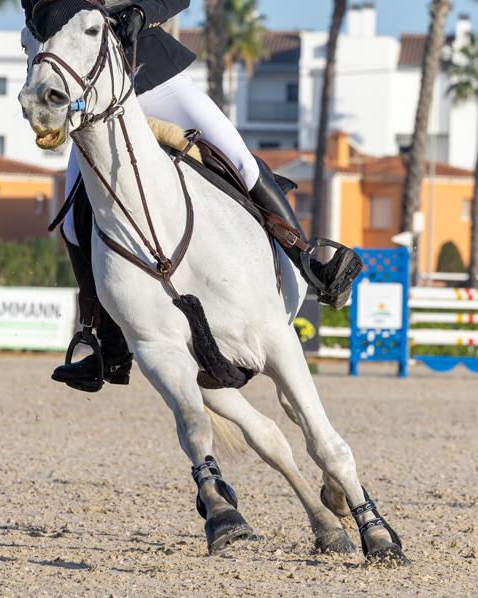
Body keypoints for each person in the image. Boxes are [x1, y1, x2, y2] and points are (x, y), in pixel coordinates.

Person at [23, 0, 359, 392]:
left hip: (156, 82)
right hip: (96, 106)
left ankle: (308, 262)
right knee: (72, 224)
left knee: (242, 163)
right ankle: (105, 344)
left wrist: (140, 12)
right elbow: (39, 22)